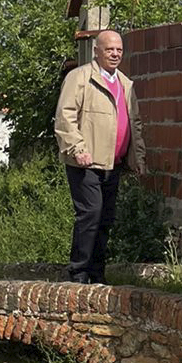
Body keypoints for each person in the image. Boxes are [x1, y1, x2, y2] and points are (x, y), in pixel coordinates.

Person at [55, 29, 147, 284]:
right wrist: (77, 148)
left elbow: (135, 124)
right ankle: (78, 273)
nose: (115, 54)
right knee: (90, 214)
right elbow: (65, 116)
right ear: (97, 51)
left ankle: (97, 274)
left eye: (119, 49)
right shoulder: (80, 78)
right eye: (109, 49)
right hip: (86, 161)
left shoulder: (126, 84)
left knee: (106, 217)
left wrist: (138, 158)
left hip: (113, 162)